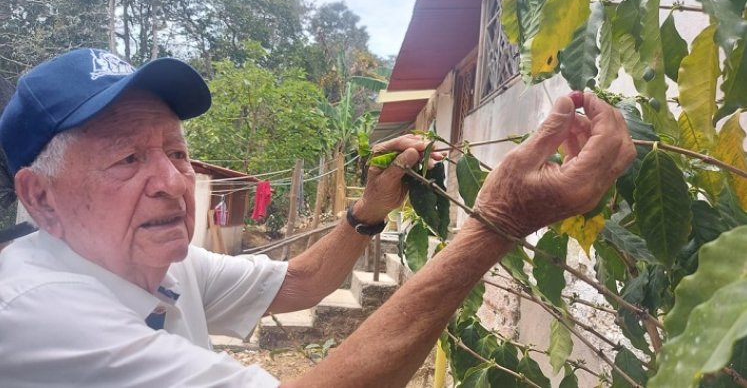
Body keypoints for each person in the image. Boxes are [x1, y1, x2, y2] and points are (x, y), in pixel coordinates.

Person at [0, 48, 635, 387]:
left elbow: (298, 283)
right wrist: (496, 220)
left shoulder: (160, 264)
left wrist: (368, 210)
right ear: (41, 198)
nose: (172, 181)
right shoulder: (34, 311)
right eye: (128, 158)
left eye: (176, 151)